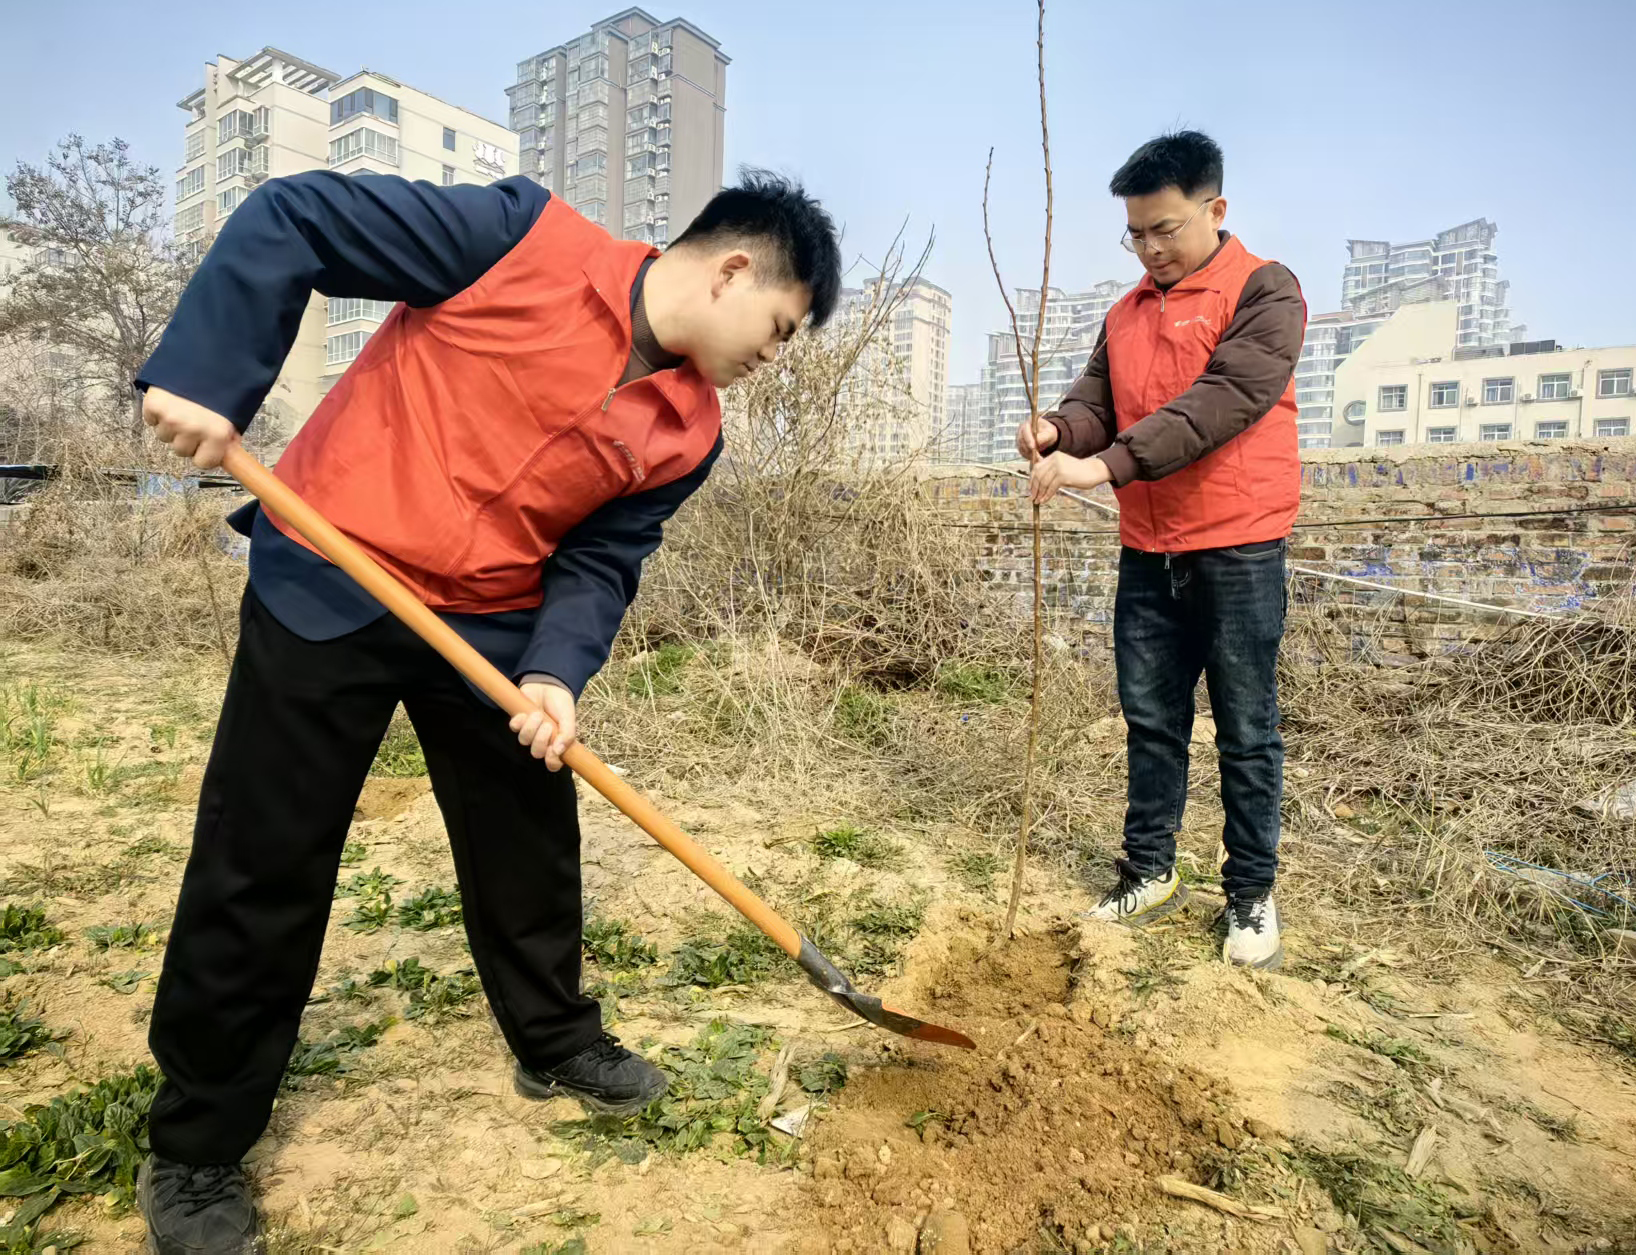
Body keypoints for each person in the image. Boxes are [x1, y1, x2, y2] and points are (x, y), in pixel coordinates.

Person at [134, 166, 841, 1254]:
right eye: (781, 329)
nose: (772, 357)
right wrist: (207, 376)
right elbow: (297, 215)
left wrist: (555, 673)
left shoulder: (691, 433)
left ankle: (554, 1038)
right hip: (329, 570)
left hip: (489, 623)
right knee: (263, 856)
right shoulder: (518, 239)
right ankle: (195, 1144)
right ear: (733, 270)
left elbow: (601, 558)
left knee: (527, 840)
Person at [1016, 130, 1305, 970]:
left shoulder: (1265, 290)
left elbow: (1220, 402)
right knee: (1151, 719)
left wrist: (1103, 465)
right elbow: (1097, 401)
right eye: (1135, 234)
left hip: (1238, 546)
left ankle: (1250, 891)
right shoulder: (1127, 312)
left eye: (1165, 229)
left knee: (1246, 727)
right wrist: (1058, 429)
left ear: (1215, 209)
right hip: (1148, 545)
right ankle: (1149, 868)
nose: (1150, 249)